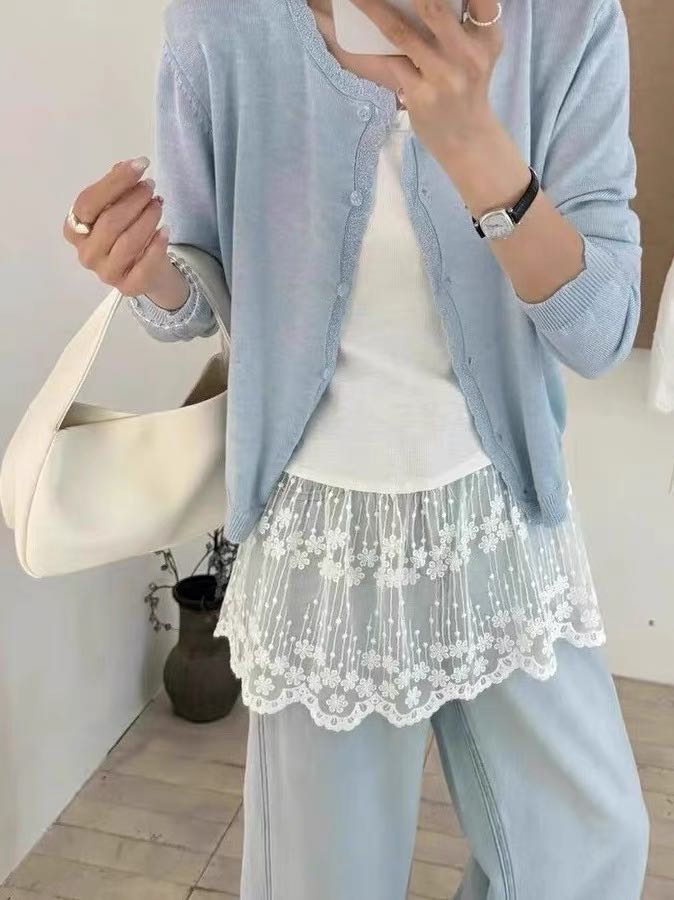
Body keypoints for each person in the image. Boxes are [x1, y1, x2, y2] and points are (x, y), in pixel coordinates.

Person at [63, 0, 650, 896]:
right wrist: (145, 273)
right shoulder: (221, 25)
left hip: (496, 516)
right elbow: (200, 286)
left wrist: (476, 148)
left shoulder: (568, 20)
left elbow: (602, 329)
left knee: (587, 851)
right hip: (320, 542)